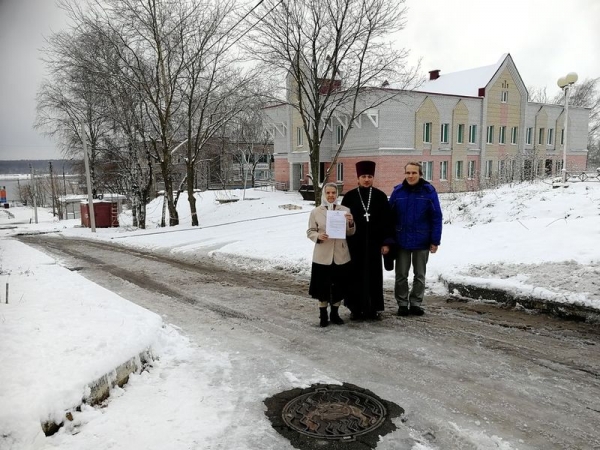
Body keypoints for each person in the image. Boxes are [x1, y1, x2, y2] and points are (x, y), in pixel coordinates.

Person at [341, 161, 394, 320]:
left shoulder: (380, 196)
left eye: (369, 176)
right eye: (363, 176)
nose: (366, 179)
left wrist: (386, 242)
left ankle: (373, 309)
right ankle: (355, 309)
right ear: (358, 178)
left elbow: (387, 222)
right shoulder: (349, 197)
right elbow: (341, 221)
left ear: (373, 178)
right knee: (355, 276)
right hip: (354, 244)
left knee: (373, 276)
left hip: (374, 244)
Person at [389, 162, 443, 316]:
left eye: (414, 173)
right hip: (401, 240)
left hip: (422, 240)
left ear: (420, 174)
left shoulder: (429, 192)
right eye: (408, 173)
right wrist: (388, 239)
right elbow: (389, 216)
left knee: (419, 275)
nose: (411, 176)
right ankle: (402, 303)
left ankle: (415, 303)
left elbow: (436, 217)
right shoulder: (398, 192)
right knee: (401, 275)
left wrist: (435, 240)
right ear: (404, 174)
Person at [307, 182, 355, 327]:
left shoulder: (344, 210)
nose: (331, 195)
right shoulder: (316, 212)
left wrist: (351, 222)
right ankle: (323, 315)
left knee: (339, 286)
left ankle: (335, 313)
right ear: (324, 194)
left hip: (340, 255)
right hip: (322, 256)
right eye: (328, 193)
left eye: (333, 193)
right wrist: (318, 236)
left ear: (337, 194)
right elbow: (310, 231)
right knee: (322, 287)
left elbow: (350, 232)